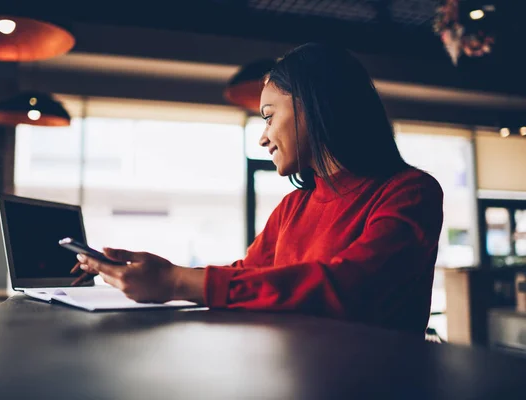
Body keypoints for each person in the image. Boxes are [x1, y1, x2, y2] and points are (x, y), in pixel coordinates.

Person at [73, 42, 444, 335]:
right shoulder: (292, 207)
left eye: (269, 116)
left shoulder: (411, 192)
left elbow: (349, 288)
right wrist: (158, 274)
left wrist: (176, 281)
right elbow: (250, 276)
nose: (264, 138)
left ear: (315, 107)